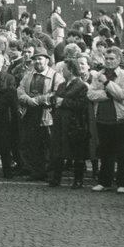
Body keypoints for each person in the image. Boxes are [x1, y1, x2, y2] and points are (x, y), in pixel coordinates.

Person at [86, 47, 124, 193]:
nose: (108, 61)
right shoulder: (98, 75)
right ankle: (104, 181)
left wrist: (107, 84)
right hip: (102, 117)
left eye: (112, 58)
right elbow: (90, 94)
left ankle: (123, 183)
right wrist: (108, 94)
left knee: (122, 152)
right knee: (105, 151)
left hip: (120, 118)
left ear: (119, 60)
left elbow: (122, 94)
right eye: (106, 58)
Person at [17, 47, 62, 182]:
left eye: (40, 59)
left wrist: (40, 99)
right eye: (35, 59)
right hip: (30, 113)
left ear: (47, 60)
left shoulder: (55, 76)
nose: (37, 62)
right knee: (32, 143)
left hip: (47, 113)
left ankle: (50, 172)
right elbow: (20, 90)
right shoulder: (28, 75)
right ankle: (37, 171)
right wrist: (28, 100)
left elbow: (57, 93)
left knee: (48, 144)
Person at [48, 58, 90, 188]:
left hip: (73, 123)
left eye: (64, 69)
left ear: (71, 70)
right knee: (58, 150)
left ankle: (78, 180)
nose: (62, 71)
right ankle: (56, 178)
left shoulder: (81, 86)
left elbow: (81, 105)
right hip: (60, 121)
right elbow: (57, 97)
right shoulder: (62, 85)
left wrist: (63, 102)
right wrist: (54, 100)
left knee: (75, 151)